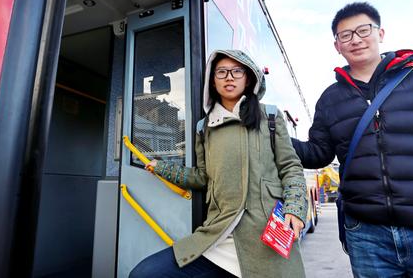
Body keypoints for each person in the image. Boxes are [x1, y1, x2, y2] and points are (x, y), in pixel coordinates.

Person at [292, 2, 413, 277]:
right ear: (337, 45)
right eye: (345, 35)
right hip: (367, 235)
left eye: (363, 30)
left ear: (380, 33)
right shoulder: (330, 98)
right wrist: (271, 135)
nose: (356, 39)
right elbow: (318, 153)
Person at [130, 49, 308, 278]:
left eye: (237, 71)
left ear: (248, 78)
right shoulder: (204, 128)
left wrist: (295, 208)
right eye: (221, 72)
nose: (229, 77)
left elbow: (291, 167)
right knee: (145, 274)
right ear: (212, 82)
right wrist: (162, 168)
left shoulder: (270, 117)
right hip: (218, 235)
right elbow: (203, 177)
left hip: (264, 235)